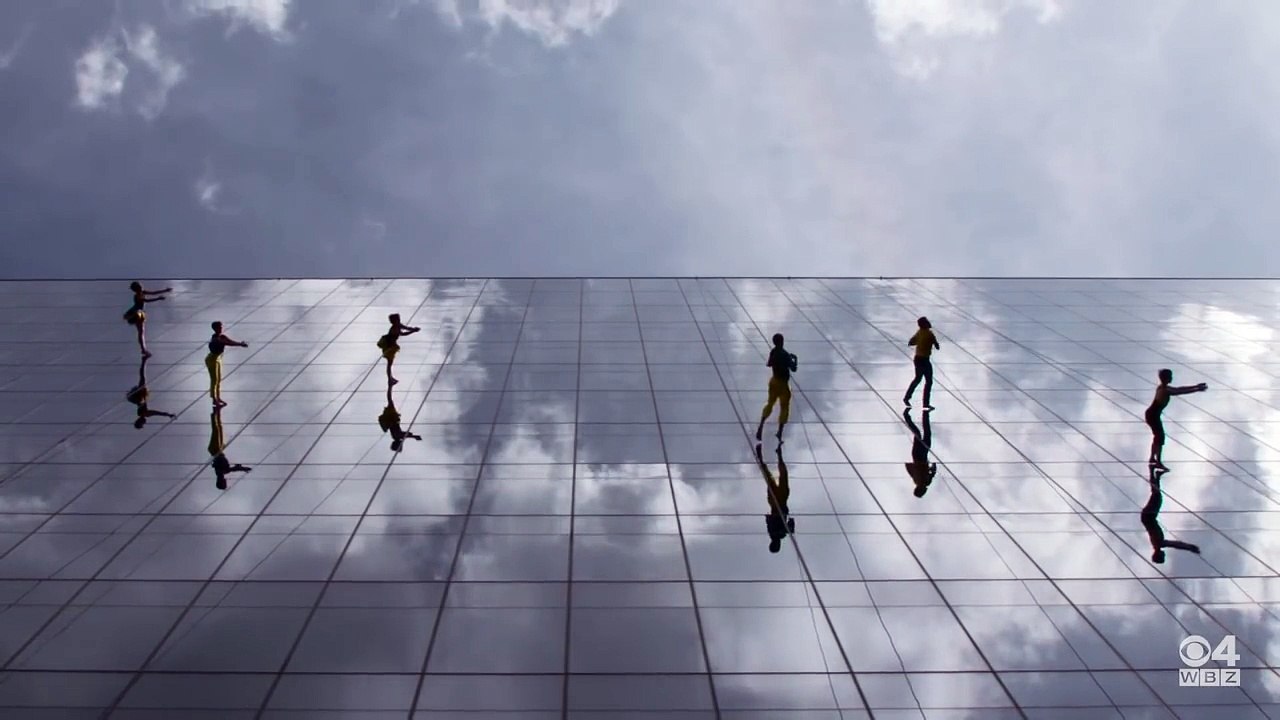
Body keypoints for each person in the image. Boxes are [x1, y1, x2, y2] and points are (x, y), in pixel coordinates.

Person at [1145, 369, 1207, 470]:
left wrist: (1196, 386)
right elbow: (1180, 391)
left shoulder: (1162, 387)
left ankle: (1153, 458)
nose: (1172, 378)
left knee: (1157, 437)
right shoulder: (1165, 390)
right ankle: (1158, 462)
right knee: (1160, 438)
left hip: (1151, 414)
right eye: (1170, 376)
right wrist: (1196, 389)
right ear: (1167, 378)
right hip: (1153, 416)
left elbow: (1179, 388)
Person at [1142, 466, 1200, 563]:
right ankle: (1157, 475)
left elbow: (1175, 544)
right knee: (1157, 495)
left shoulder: (1158, 543)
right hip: (1148, 517)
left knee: (1156, 494)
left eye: (1162, 557)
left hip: (1148, 517)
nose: (1164, 555)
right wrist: (1188, 547)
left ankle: (1152, 471)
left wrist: (1189, 547)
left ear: (1158, 555)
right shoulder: (1158, 544)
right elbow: (1175, 544)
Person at [756, 333, 798, 443]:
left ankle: (761, 426)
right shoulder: (785, 355)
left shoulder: (773, 352)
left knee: (770, 403)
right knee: (784, 407)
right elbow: (793, 369)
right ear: (782, 341)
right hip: (783, 384)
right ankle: (779, 432)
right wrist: (795, 359)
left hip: (773, 381)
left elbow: (769, 364)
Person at [756, 442, 795, 554]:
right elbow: (790, 523)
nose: (776, 543)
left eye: (775, 545)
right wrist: (790, 528)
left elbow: (772, 521)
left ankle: (763, 457)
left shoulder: (776, 534)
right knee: (775, 476)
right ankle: (776, 455)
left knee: (772, 477)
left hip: (778, 502)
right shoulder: (779, 534)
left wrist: (789, 528)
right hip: (780, 501)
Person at [123, 282, 172, 357]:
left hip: (139, 312)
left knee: (141, 332)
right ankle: (143, 349)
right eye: (140, 286)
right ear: (137, 288)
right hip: (138, 313)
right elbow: (146, 301)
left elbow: (153, 293)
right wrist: (158, 298)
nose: (141, 286)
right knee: (141, 332)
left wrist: (165, 290)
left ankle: (143, 349)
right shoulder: (137, 296)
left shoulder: (142, 292)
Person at [126, 355, 175, 428]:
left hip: (140, 397)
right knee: (142, 378)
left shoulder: (144, 414)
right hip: (140, 397)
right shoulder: (143, 414)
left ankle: (144, 360)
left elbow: (156, 413)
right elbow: (156, 413)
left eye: (142, 424)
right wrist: (167, 414)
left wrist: (167, 415)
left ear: (139, 421)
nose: (144, 423)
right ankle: (144, 360)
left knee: (142, 378)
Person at [206, 321, 248, 407]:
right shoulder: (216, 339)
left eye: (221, 327)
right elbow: (228, 343)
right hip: (212, 360)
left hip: (218, 359)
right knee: (214, 380)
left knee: (218, 380)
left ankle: (218, 397)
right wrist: (240, 344)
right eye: (219, 327)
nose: (221, 328)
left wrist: (240, 343)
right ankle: (214, 399)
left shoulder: (221, 336)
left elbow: (229, 340)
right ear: (215, 328)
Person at [209, 406, 251, 490]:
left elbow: (229, 470)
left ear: (220, 481)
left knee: (216, 429)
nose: (225, 481)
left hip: (215, 450)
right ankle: (217, 411)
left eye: (224, 483)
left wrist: (240, 468)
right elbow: (232, 469)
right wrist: (242, 468)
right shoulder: (224, 472)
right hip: (219, 450)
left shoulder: (219, 473)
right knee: (219, 429)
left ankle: (215, 412)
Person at [904, 316, 940, 409]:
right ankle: (925, 403)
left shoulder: (919, 332)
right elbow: (936, 345)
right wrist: (935, 344)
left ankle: (907, 397)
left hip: (917, 359)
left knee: (918, 379)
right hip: (924, 360)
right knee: (928, 382)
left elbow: (911, 342)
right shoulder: (929, 334)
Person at [377, 313, 420, 386]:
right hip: (389, 346)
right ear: (394, 321)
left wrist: (413, 329)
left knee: (390, 363)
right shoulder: (394, 328)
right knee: (389, 363)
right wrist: (413, 331)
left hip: (391, 346)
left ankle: (390, 378)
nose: (399, 320)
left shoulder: (398, 325)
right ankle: (390, 379)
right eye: (398, 319)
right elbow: (403, 334)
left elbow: (407, 328)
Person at [379, 381, 422, 452]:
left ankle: (390, 386)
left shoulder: (396, 436)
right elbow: (404, 434)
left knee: (390, 400)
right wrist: (413, 436)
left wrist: (414, 437)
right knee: (390, 401)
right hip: (392, 418)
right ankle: (390, 386)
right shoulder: (396, 437)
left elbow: (403, 434)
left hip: (391, 418)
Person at [903, 408, 936, 498]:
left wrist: (930, 466)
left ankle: (923, 415)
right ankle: (909, 417)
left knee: (926, 434)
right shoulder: (917, 480)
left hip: (921, 456)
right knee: (920, 434)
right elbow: (908, 467)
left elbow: (933, 472)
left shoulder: (924, 482)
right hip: (918, 455)